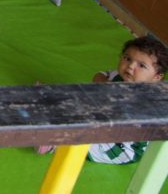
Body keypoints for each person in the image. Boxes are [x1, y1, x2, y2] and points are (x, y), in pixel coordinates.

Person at [37, 35, 166, 163]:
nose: (130, 66)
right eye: (127, 58)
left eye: (142, 66)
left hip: (118, 146)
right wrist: (103, 83)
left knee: (84, 142)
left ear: (156, 77)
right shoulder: (120, 76)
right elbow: (100, 75)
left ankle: (54, 144)